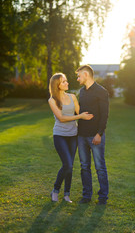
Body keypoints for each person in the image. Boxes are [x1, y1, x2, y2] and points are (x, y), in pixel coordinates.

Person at [48, 73, 93, 203]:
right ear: (57, 86)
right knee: (67, 164)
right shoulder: (52, 100)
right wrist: (80, 117)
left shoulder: (72, 96)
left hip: (73, 135)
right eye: (63, 82)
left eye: (66, 81)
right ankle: (55, 190)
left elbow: (80, 112)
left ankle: (67, 194)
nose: (67, 83)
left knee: (70, 165)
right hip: (60, 135)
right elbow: (61, 118)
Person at [76, 65, 109, 205]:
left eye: (78, 76)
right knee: (84, 167)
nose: (77, 79)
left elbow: (104, 115)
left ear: (85, 74)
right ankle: (86, 196)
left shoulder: (101, 92)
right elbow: (78, 113)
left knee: (100, 167)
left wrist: (99, 134)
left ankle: (102, 197)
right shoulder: (81, 92)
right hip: (81, 136)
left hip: (95, 136)